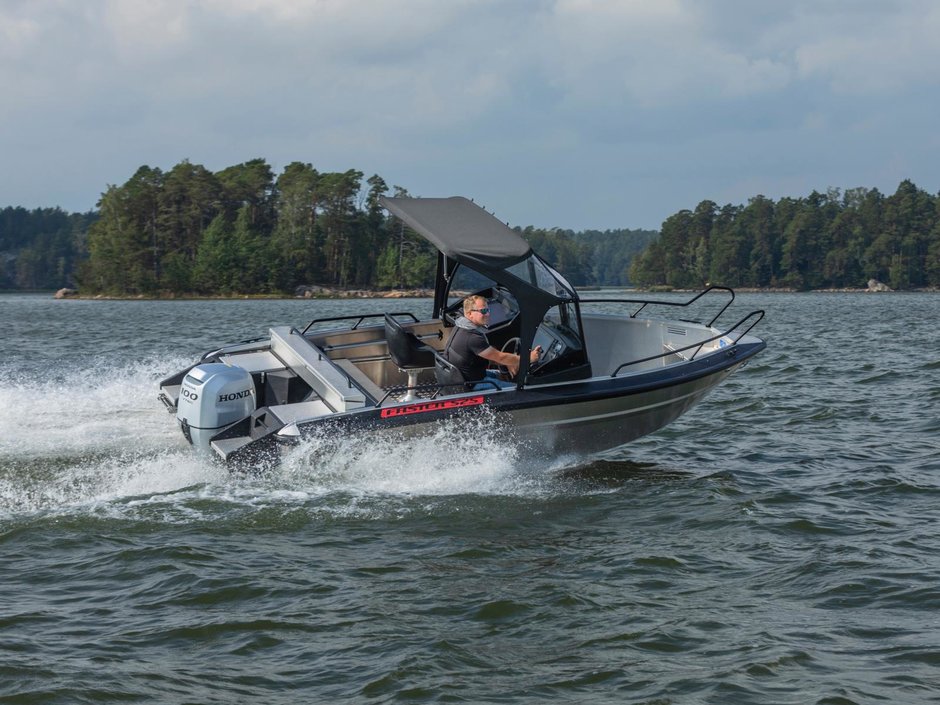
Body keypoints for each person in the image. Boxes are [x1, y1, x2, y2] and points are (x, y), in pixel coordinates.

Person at [445, 295, 541, 390]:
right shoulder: (472, 337)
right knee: (522, 390)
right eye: (483, 311)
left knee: (501, 375)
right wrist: (528, 358)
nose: (487, 314)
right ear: (470, 314)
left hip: (469, 376)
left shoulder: (461, 327)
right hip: (473, 384)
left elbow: (488, 351)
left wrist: (508, 362)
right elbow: (500, 357)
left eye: (488, 310)